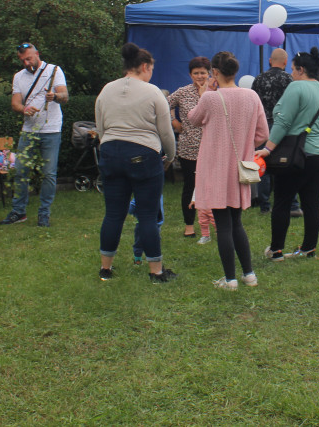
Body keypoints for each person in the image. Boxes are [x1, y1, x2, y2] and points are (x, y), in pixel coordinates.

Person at [95, 42, 177, 283]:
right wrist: (170, 157)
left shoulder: (106, 90)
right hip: (144, 155)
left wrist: (109, 148)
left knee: (113, 214)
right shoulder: (152, 92)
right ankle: (156, 271)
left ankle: (106, 269)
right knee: (148, 215)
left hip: (110, 151)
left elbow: (100, 127)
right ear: (144, 66)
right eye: (151, 68)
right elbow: (166, 133)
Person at [187, 51, 269, 290]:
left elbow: (192, 119)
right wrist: (245, 147)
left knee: (223, 224)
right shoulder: (251, 96)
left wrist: (205, 93)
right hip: (241, 168)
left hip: (214, 167)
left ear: (215, 72)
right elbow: (263, 134)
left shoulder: (211, 98)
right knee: (236, 222)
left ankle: (231, 279)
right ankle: (249, 275)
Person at [258, 47, 319, 261]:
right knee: (312, 202)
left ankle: (276, 250)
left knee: (282, 201)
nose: (290, 73)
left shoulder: (296, 87)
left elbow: (283, 121)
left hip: (297, 153)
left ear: (301, 70)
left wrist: (268, 148)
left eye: (292, 69)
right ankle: (309, 248)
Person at [0, 43, 68, 228]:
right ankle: (18, 211)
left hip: (51, 129)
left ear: (37, 54)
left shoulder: (54, 71)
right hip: (28, 131)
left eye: (29, 58)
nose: (26, 62)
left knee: (48, 174)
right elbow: (15, 104)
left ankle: (44, 214)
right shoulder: (19, 77)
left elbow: (65, 96)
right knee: (21, 171)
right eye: (23, 60)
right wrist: (24, 109)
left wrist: (54, 97)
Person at [167, 56, 211, 238]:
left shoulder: (216, 91)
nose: (200, 76)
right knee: (190, 186)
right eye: (196, 73)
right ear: (190, 74)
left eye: (203, 72)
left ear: (209, 73)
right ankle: (189, 225)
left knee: (211, 186)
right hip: (189, 148)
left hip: (212, 147)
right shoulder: (183, 92)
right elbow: (163, 104)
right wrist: (173, 120)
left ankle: (211, 224)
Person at [252, 48, 293, 215]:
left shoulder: (259, 79)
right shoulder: (289, 79)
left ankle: (264, 205)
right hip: (283, 127)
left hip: (262, 126)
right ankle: (289, 203)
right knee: (285, 164)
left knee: (263, 166)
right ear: (285, 62)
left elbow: (254, 104)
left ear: (270, 60)